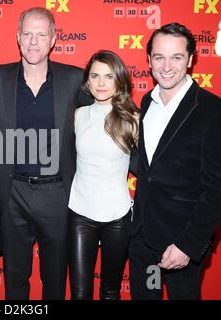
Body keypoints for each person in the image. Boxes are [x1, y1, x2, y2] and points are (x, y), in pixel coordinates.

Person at [0, 7, 92, 299]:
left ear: (53, 39)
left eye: (41, 35)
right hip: (13, 191)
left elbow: (102, 121)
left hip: (58, 192)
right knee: (15, 278)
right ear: (17, 37)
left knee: (55, 278)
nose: (33, 42)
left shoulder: (75, 79)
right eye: (27, 34)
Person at [129, 22, 221, 300]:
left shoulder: (212, 110)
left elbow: (216, 189)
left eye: (176, 57)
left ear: (191, 60)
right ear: (148, 60)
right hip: (142, 237)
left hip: (180, 244)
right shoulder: (146, 102)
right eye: (159, 57)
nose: (167, 66)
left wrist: (187, 245)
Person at [68, 50, 139, 300]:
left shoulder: (133, 119)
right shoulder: (78, 115)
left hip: (118, 216)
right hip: (80, 212)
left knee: (110, 292)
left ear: (119, 80)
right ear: (87, 80)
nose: (100, 83)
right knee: (79, 293)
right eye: (95, 76)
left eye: (108, 76)